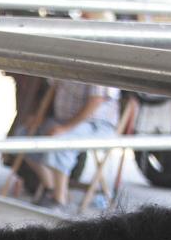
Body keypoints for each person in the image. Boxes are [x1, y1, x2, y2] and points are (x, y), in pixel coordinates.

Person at [34, 80, 121, 209]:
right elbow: (53, 86)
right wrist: (39, 116)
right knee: (25, 135)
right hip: (63, 121)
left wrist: (66, 128)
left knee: (61, 141)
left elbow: (97, 100)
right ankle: (51, 189)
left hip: (96, 125)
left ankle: (59, 200)